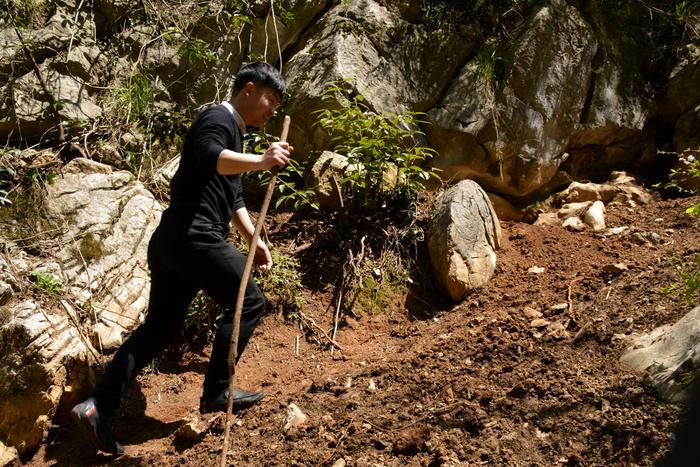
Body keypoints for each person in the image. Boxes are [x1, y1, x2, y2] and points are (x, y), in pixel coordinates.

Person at [71, 62, 291, 455]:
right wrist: (261, 160)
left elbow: (232, 194)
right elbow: (211, 157)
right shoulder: (217, 118)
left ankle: (97, 407)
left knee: (159, 328)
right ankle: (217, 391)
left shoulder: (234, 134)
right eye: (270, 99)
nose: (272, 110)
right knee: (252, 301)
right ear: (248, 89)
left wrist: (251, 238)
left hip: (173, 240)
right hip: (194, 235)